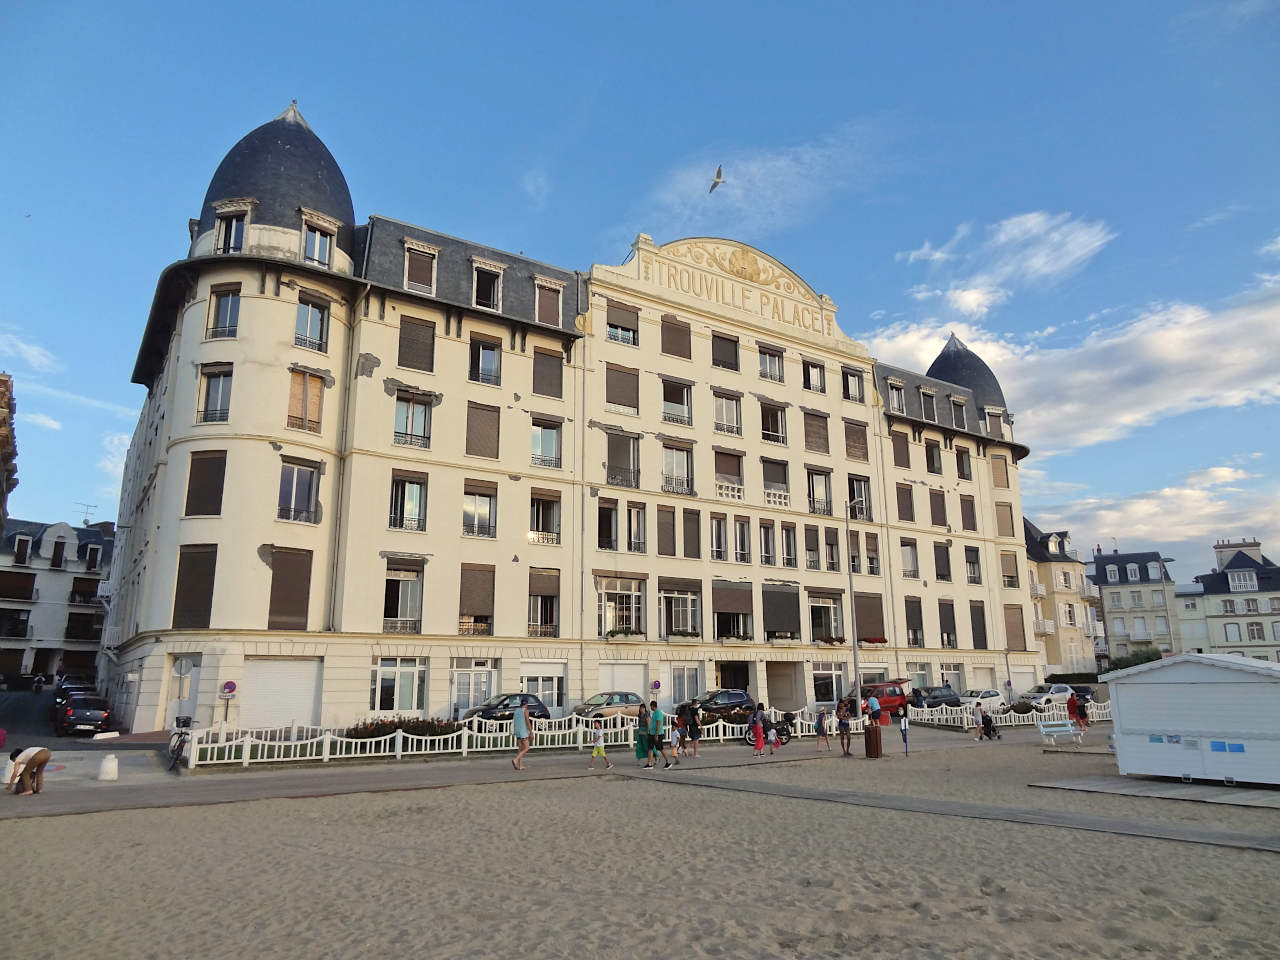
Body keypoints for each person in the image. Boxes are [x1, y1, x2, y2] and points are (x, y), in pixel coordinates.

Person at [648, 701, 673, 769]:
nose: (650, 708)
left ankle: (668, 762)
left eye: (651, 706)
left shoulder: (658, 713)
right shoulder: (654, 713)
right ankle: (649, 764)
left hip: (658, 734)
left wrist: (656, 734)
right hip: (652, 733)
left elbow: (658, 723)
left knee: (660, 748)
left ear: (653, 706)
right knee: (650, 748)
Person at [511, 700, 533, 771]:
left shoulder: (516, 710)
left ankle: (520, 766)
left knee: (520, 749)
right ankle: (515, 760)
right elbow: (527, 722)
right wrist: (531, 732)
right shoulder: (526, 711)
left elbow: (515, 720)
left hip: (517, 731)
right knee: (527, 748)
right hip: (523, 731)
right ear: (526, 704)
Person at [635, 702, 651, 767]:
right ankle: (638, 759)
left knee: (647, 746)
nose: (640, 709)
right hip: (640, 732)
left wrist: (648, 733)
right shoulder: (639, 715)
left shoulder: (647, 715)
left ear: (644, 708)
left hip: (645, 732)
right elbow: (639, 724)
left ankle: (655, 757)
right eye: (640, 708)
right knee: (639, 746)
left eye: (642, 708)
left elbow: (649, 725)